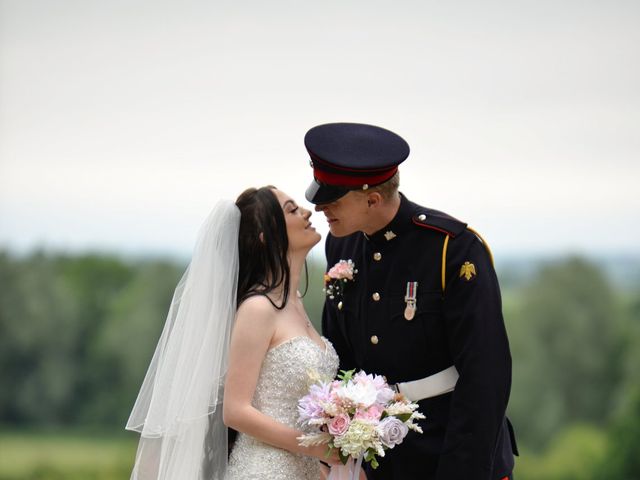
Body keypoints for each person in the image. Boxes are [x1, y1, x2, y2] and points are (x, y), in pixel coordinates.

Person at [304, 122, 518, 480]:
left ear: (372, 198)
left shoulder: (453, 248)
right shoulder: (341, 244)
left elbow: (486, 375)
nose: (321, 209)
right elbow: (342, 354)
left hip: (449, 449)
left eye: (333, 201)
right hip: (374, 457)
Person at [126, 186, 342, 480]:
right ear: (266, 236)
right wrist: (313, 448)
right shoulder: (258, 309)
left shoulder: (297, 304)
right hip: (264, 471)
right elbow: (236, 411)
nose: (307, 212)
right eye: (292, 209)